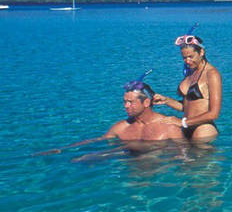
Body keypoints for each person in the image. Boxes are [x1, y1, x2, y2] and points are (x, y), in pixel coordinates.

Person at [38, 73, 184, 154]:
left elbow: (184, 155)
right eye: (124, 101)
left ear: (146, 103)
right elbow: (98, 140)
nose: (125, 106)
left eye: (130, 102)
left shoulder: (169, 126)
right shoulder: (121, 127)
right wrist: (63, 149)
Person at [154, 31, 221, 143]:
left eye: (191, 56)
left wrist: (182, 122)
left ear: (201, 52)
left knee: (196, 159)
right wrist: (166, 100)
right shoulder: (191, 72)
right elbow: (187, 106)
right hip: (186, 125)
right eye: (184, 58)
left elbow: (214, 113)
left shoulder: (212, 74)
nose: (187, 61)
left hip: (203, 128)